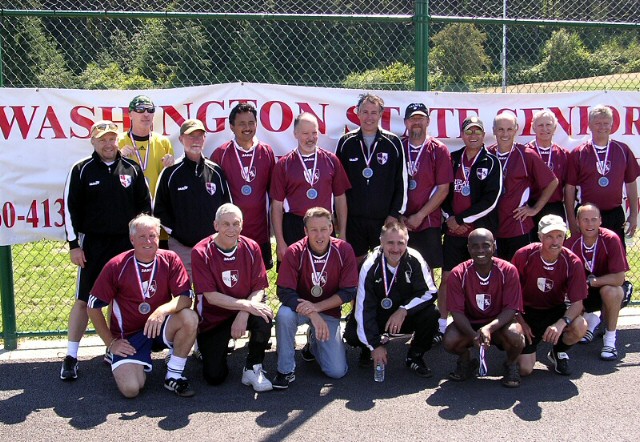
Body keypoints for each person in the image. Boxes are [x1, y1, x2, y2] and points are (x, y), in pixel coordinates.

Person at [61, 120, 151, 381]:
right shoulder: (81, 170)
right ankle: (71, 356)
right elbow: (69, 210)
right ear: (93, 141)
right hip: (93, 245)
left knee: (120, 299)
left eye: (112, 139)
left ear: (118, 140)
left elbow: (144, 208)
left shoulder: (132, 168)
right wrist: (74, 245)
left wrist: (144, 241)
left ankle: (113, 348)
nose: (108, 144)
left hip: (125, 245)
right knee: (84, 299)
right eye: (102, 139)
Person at [87, 215, 198, 398]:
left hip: (159, 327)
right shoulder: (117, 265)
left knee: (189, 317)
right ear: (132, 239)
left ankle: (174, 375)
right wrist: (111, 343)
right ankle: (129, 360)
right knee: (132, 389)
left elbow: (185, 298)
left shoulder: (169, 259)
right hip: (129, 337)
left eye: (153, 236)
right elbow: (93, 306)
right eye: (142, 237)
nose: (148, 241)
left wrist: (162, 311)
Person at [191, 204, 274, 392]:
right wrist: (245, 306)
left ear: (242, 225)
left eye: (236, 224)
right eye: (226, 224)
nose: (231, 229)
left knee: (264, 314)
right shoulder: (201, 251)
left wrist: (244, 312)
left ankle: (253, 368)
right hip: (214, 319)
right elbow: (210, 297)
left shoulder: (251, 247)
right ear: (216, 225)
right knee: (214, 377)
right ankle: (210, 347)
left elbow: (259, 288)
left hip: (243, 311)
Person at [272, 207, 358, 389]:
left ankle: (313, 343)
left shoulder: (344, 250)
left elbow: (349, 291)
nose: (319, 235)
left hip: (328, 311)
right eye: (313, 230)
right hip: (300, 309)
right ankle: (285, 370)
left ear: (331, 228)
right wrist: (312, 314)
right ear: (305, 231)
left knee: (337, 372)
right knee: (284, 315)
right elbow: (284, 291)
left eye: (324, 229)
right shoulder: (295, 251)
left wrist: (317, 309)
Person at [344, 221, 439, 377]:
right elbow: (363, 308)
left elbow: (429, 292)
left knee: (432, 313)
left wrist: (404, 309)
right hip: (378, 316)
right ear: (381, 242)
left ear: (407, 242)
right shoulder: (369, 265)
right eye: (390, 243)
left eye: (400, 243)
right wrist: (374, 345)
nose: (395, 249)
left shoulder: (415, 259)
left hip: (403, 317)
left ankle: (415, 356)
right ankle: (368, 350)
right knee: (352, 335)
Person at [438, 116, 501, 343]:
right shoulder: (452, 159)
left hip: (480, 234)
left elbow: (491, 200)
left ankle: (486, 323)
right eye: (468, 132)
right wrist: (450, 219)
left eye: (477, 131)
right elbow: (442, 191)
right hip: (454, 232)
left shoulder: (492, 162)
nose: (473, 136)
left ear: (484, 135)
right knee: (447, 277)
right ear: (462, 135)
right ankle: (442, 324)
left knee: (483, 277)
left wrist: (462, 219)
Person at [443, 228, 525, 388]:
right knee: (450, 340)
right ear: (468, 248)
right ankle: (466, 360)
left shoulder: (508, 270)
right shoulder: (458, 273)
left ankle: (511, 364)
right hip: (470, 324)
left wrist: (488, 328)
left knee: (516, 336)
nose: (480, 250)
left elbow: (511, 309)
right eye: (475, 246)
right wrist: (474, 335)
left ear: (494, 246)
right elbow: (456, 312)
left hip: (500, 324)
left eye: (486, 245)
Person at [154, 119, 231, 279]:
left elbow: (227, 207)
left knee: (213, 294)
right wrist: (178, 233)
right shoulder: (170, 173)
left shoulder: (215, 171)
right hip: (182, 247)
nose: (196, 140)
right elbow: (159, 209)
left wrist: (220, 235)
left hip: (213, 247)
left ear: (205, 138)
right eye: (191, 136)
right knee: (183, 295)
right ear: (181, 139)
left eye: (199, 136)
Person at [336, 93, 407, 265]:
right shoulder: (346, 142)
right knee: (355, 262)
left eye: (374, 112)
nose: (369, 117)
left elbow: (401, 181)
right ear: (357, 113)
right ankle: (355, 293)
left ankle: (383, 293)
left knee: (384, 262)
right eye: (365, 112)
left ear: (381, 114)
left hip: (383, 219)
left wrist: (394, 213)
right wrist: (339, 218)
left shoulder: (393, 142)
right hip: (353, 218)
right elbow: (337, 185)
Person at [512, 215, 588, 376]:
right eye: (549, 237)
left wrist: (561, 324)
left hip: (555, 310)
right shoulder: (523, 255)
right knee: (525, 370)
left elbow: (577, 304)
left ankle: (558, 352)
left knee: (580, 325)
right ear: (540, 236)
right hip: (527, 312)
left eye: (559, 236)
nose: (555, 242)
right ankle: (516, 353)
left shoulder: (573, 262)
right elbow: (511, 295)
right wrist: (520, 321)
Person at [271, 113, 350, 266]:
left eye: (314, 133)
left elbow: (340, 198)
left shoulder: (331, 160)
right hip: (295, 225)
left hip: (324, 226)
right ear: (295, 134)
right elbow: (276, 206)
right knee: (294, 276)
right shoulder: (284, 164)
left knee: (325, 273)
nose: (310, 138)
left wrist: (343, 234)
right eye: (305, 133)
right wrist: (280, 241)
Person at [211, 103, 276, 269]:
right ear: (231, 127)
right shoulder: (221, 153)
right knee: (234, 274)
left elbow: (274, 193)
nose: (247, 128)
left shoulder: (266, 151)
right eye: (241, 124)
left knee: (260, 274)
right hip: (231, 232)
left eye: (251, 123)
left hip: (260, 230)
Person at [565, 104, 640, 246]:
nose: (602, 127)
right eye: (597, 123)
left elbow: (631, 183)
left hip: (614, 213)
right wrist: (571, 219)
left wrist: (634, 215)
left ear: (612, 125)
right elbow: (569, 188)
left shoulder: (622, 150)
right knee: (586, 260)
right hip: (586, 216)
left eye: (606, 123)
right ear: (589, 125)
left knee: (614, 259)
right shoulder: (579, 153)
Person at [488, 111, 558, 261]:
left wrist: (535, 209)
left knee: (519, 271)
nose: (505, 133)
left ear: (516, 129)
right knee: (497, 271)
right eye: (500, 129)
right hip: (493, 225)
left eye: (509, 129)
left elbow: (552, 182)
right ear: (494, 130)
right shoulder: (488, 155)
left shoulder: (526, 154)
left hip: (517, 225)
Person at [565, 203, 630, 361]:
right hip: (585, 290)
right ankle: (590, 321)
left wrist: (594, 281)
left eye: (594, 219)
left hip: (608, 287)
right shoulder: (570, 244)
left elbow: (619, 278)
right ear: (577, 222)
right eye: (585, 220)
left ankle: (609, 341)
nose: (590, 224)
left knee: (610, 291)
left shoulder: (611, 239)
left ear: (600, 221)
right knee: (569, 298)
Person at [399, 103, 452, 274]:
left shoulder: (439, 149)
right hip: (400, 221)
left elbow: (443, 189)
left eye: (420, 118)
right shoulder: (398, 147)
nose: (416, 122)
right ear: (406, 122)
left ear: (428, 121)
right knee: (399, 269)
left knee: (425, 271)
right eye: (412, 118)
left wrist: (420, 215)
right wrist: (397, 216)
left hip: (427, 220)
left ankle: (427, 302)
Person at [118, 95, 174, 248]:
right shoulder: (119, 142)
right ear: (130, 114)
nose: (146, 114)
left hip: (157, 216)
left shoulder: (162, 142)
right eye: (140, 109)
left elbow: (169, 181)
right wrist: (119, 157)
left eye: (150, 110)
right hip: (130, 215)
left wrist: (170, 166)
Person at [525, 109, 570, 234]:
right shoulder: (525, 152)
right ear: (534, 128)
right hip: (530, 206)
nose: (544, 129)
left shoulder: (563, 154)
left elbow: (568, 188)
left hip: (555, 207)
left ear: (555, 128)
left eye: (548, 125)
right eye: (540, 125)